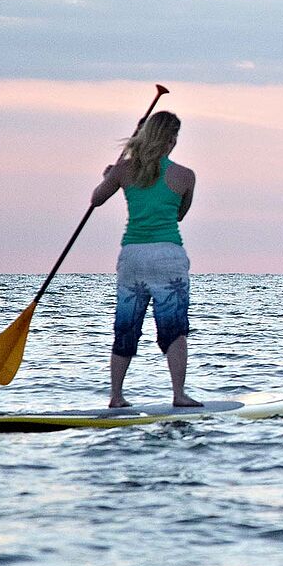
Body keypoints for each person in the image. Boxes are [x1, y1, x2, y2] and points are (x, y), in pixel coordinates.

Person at [91, 110, 202, 408]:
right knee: (174, 328)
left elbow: (96, 199)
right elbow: (178, 214)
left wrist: (110, 176)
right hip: (168, 255)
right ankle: (178, 395)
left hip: (134, 256)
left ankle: (116, 396)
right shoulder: (185, 176)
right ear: (171, 140)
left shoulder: (124, 170)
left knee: (126, 326)